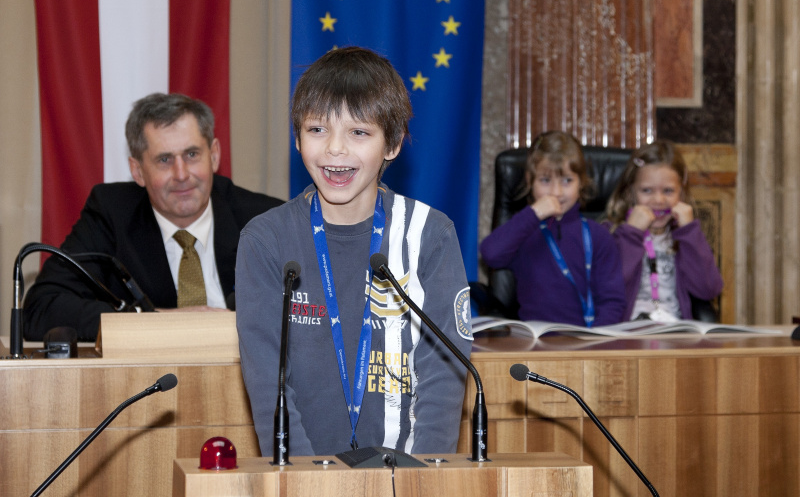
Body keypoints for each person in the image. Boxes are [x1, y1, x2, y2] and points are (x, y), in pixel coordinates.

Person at [236, 46, 473, 457]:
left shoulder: (429, 235)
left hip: (406, 476)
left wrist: (421, 481)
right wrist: (308, 483)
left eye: (358, 133)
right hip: (304, 479)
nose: (335, 150)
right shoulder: (266, 239)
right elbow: (268, 386)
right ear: (296, 137)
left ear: (393, 143)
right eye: (317, 129)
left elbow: (443, 381)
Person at [23, 92, 283, 341]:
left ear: (214, 156)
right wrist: (157, 321)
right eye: (164, 160)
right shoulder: (113, 214)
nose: (181, 174)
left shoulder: (265, 219)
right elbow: (41, 308)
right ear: (137, 171)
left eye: (192, 155)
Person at [479, 131, 626, 326]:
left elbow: (612, 302)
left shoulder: (599, 236)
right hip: (534, 341)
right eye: (545, 180)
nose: (556, 192)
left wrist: (596, 344)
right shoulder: (523, 230)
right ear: (530, 181)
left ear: (581, 182)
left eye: (567, 180)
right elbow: (490, 253)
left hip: (587, 341)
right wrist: (532, 214)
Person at [604, 140, 723, 322]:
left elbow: (708, 289)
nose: (658, 200)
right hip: (626, 336)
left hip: (674, 335)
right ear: (630, 192)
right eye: (647, 190)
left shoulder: (686, 237)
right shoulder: (610, 233)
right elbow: (608, 289)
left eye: (668, 191)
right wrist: (631, 234)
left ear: (681, 193)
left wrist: (689, 233)